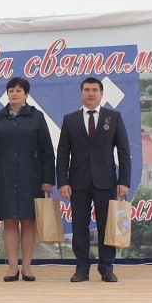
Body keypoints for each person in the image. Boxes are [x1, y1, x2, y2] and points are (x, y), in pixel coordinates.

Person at [56, 76, 131, 283]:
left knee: (106, 226)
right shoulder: (70, 119)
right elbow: (62, 154)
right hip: (78, 182)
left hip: (106, 181)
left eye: (95, 90)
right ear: (81, 93)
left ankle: (107, 268)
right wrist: (63, 181)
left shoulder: (113, 117)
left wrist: (124, 181)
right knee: (79, 226)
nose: (91, 93)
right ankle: (82, 268)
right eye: (87, 90)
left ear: (101, 93)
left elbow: (124, 152)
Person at [0, 77, 55, 282]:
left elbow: (47, 151)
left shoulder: (36, 117)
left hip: (31, 178)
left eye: (18, 90)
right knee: (10, 221)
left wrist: (48, 179)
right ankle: (13, 268)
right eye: (11, 90)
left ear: (26, 95)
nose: (14, 94)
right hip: (4, 177)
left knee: (28, 221)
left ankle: (27, 268)